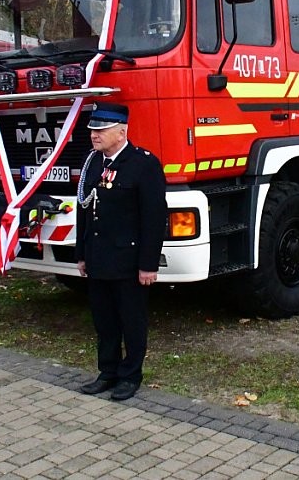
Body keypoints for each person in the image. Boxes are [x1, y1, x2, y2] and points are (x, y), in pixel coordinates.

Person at [75, 102, 166, 401]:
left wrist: (148, 264)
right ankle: (108, 372)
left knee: (131, 320)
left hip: (128, 260)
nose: (94, 135)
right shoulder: (93, 163)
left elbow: (153, 218)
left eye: (101, 130)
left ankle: (130, 376)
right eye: (92, 130)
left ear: (121, 131)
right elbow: (84, 210)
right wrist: (82, 253)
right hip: (99, 256)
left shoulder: (143, 164)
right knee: (105, 321)